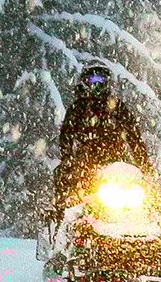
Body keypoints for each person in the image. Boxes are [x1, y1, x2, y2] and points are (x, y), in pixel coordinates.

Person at [52, 63, 153, 217]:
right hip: (85, 162)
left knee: (142, 191)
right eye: (93, 81)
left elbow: (134, 137)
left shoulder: (117, 107)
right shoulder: (78, 108)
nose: (97, 85)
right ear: (86, 82)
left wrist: (144, 165)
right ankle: (62, 216)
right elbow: (66, 136)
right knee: (65, 180)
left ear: (107, 83)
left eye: (101, 81)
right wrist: (68, 159)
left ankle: (154, 218)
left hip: (115, 162)